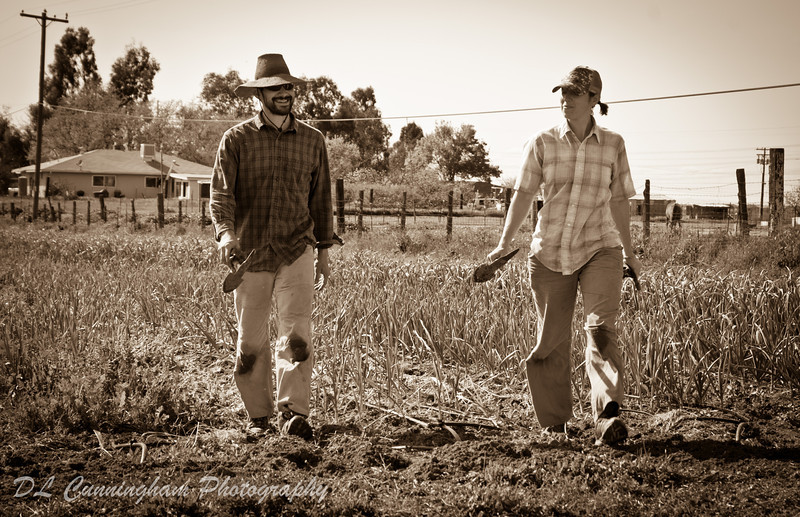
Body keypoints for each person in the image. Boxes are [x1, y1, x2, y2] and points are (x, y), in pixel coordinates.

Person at [488, 65, 642, 445]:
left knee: (600, 327)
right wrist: (504, 242)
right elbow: (523, 194)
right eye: (563, 92)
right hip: (550, 253)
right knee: (551, 341)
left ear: (594, 101)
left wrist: (630, 252)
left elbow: (620, 200)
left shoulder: (614, 144)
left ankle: (608, 415)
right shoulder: (542, 142)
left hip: (600, 248)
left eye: (575, 94)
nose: (565, 100)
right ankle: (555, 425)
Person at [210, 53, 335, 441]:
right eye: (275, 87)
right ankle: (258, 417)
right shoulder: (236, 139)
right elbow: (221, 196)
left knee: (296, 334)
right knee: (251, 339)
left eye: (288, 86)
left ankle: (293, 412)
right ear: (259, 94)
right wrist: (226, 235)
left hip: (297, 249)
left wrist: (324, 252)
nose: (284, 92)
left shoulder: (313, 141)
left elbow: (321, 201)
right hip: (249, 255)